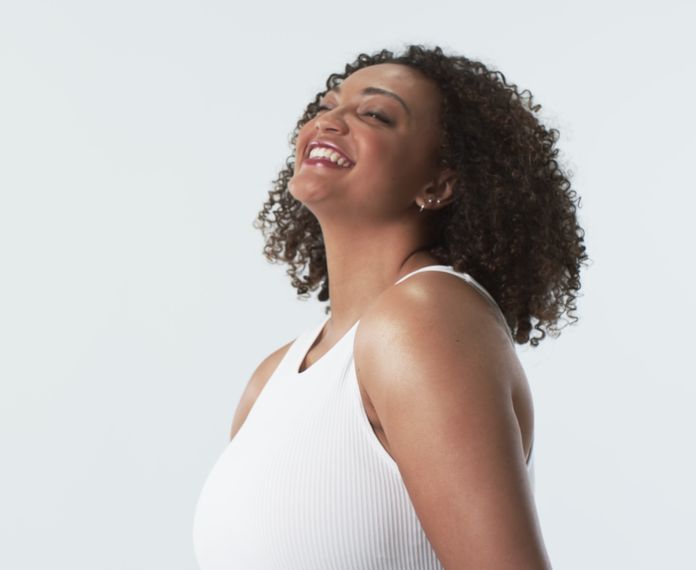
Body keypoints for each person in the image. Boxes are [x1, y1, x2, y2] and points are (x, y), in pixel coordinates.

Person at [192, 44, 587, 570]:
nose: (329, 122)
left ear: (437, 183)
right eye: (326, 106)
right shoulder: (273, 378)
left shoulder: (425, 317)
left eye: (374, 114)